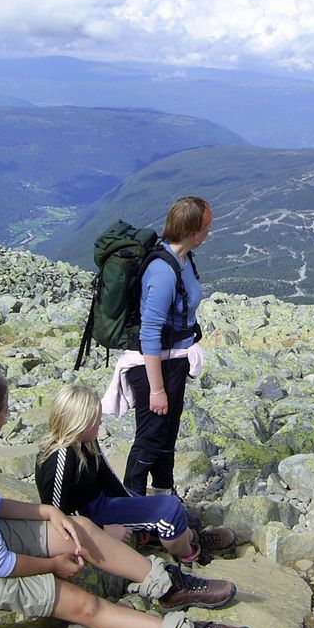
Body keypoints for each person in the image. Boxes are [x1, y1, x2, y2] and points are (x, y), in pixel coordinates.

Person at [0, 371, 254, 628]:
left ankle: (169, 585)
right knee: (82, 604)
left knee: (78, 525)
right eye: (5, 410)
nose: (10, 415)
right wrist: (55, 566)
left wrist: (48, 514)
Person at [37, 385, 236, 565]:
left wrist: (136, 513)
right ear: (78, 423)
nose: (100, 421)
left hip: (101, 501)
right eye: (94, 419)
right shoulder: (60, 458)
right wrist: (102, 530)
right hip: (89, 515)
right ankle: (190, 554)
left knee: (164, 505)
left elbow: (108, 478)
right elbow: (56, 515)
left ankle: (191, 536)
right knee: (170, 509)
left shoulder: (86, 441)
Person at [123, 196, 212, 497]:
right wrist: (157, 389)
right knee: (150, 436)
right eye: (205, 227)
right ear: (192, 231)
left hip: (175, 360)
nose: (208, 232)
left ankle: (163, 496)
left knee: (166, 433)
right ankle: (131, 506)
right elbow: (150, 332)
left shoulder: (183, 258)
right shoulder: (163, 272)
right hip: (155, 364)